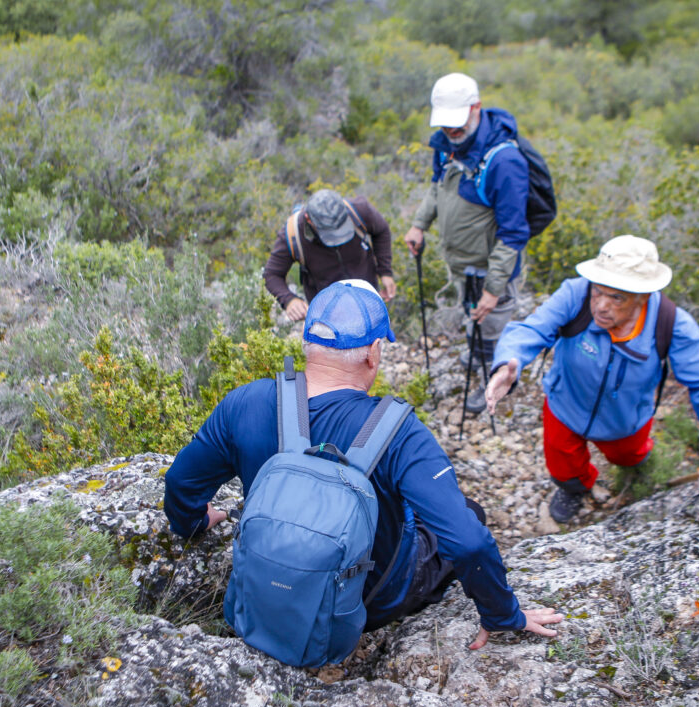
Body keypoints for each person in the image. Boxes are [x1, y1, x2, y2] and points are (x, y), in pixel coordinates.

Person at [164, 280, 561, 649]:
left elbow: (181, 482)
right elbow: (468, 542)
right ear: (373, 353)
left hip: (266, 584)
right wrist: (502, 612)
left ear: (307, 343)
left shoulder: (245, 403)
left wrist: (193, 522)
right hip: (368, 603)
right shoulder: (400, 432)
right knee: (470, 512)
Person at [485, 235, 699, 524]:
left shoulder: (670, 323)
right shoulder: (576, 294)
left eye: (617, 297)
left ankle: (636, 466)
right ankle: (575, 488)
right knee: (563, 464)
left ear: (643, 296)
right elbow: (532, 329)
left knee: (629, 457)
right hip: (565, 405)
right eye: (598, 291)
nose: (601, 306)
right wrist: (507, 362)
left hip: (625, 420)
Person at [402, 72, 530, 412]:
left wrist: (493, 289)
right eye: (445, 124)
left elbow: (514, 233)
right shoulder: (447, 146)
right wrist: (419, 224)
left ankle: (495, 378)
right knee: (472, 314)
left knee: (493, 322)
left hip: (491, 268)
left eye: (457, 123)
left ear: (476, 108)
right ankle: (478, 353)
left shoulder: (505, 162)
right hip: (462, 264)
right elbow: (437, 187)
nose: (451, 131)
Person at [264, 188, 396, 322]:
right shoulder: (294, 234)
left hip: (367, 301)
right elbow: (272, 274)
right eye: (330, 233)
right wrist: (289, 300)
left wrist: (385, 271)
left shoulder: (358, 211)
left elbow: (382, 230)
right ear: (309, 220)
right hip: (327, 314)